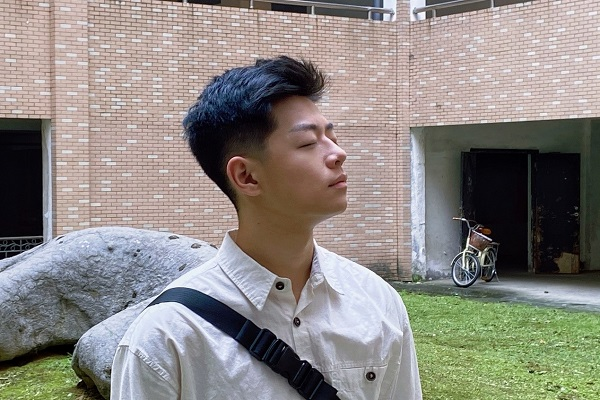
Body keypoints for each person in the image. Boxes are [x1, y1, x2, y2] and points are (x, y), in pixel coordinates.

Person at [110, 56, 422, 399]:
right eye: (308, 143)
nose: (338, 153)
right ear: (246, 176)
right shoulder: (168, 336)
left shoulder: (377, 301)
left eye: (332, 137)